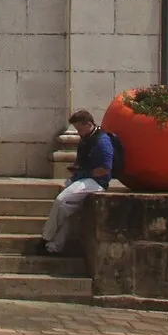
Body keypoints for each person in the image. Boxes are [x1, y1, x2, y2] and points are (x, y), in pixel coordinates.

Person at [41, 108, 121, 252]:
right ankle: (53, 247)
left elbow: (106, 168)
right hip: (82, 177)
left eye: (79, 129)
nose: (78, 132)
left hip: (96, 181)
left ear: (88, 124)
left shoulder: (102, 141)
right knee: (66, 210)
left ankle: (47, 236)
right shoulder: (86, 138)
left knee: (61, 200)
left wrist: (86, 173)